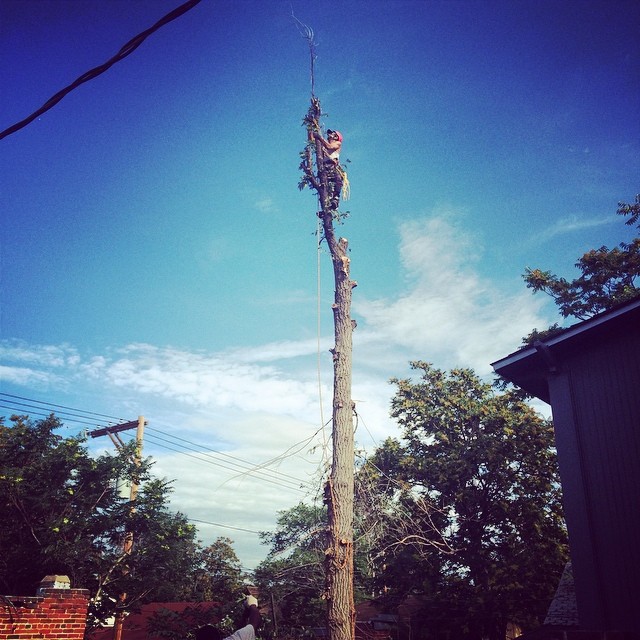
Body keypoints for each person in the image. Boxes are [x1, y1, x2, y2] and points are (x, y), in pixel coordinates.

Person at [314, 129, 344, 209]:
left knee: (338, 180)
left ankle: (336, 198)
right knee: (325, 187)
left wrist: (319, 137)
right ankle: (325, 207)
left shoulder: (337, 143)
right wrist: (311, 131)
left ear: (336, 137)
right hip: (324, 166)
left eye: (333, 134)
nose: (330, 135)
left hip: (332, 166)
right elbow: (312, 140)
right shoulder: (323, 144)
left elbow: (329, 146)